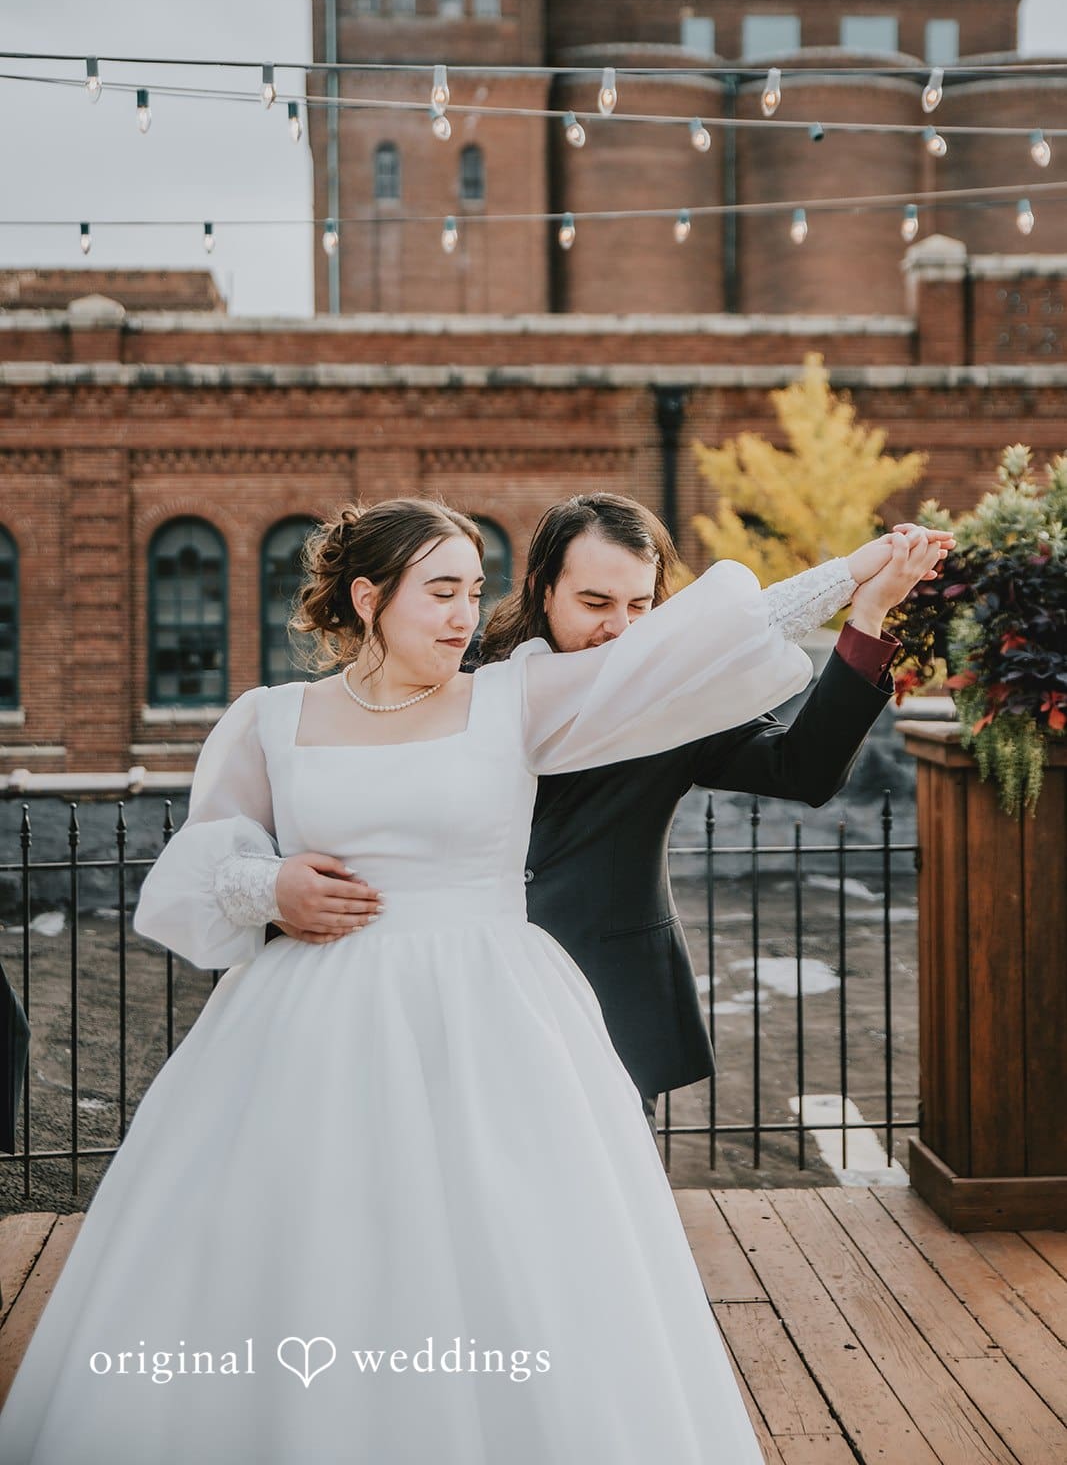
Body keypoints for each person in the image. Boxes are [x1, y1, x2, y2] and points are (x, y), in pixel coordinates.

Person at [0, 497, 945, 1464]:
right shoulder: (285, 717)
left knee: (549, 1261)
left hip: (516, 1015)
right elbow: (206, 855)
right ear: (371, 598)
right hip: (319, 1021)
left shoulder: (533, 697)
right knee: (318, 1244)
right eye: (440, 590)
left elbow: (725, 642)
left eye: (469, 592)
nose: (460, 612)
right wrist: (268, 884)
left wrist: (860, 580)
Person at [261, 496, 945, 1143]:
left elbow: (803, 770)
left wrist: (867, 616)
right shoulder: (458, 677)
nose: (618, 628)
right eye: (594, 602)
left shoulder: (678, 695)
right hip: (447, 996)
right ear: (542, 589)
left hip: (606, 995)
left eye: (640, 605)